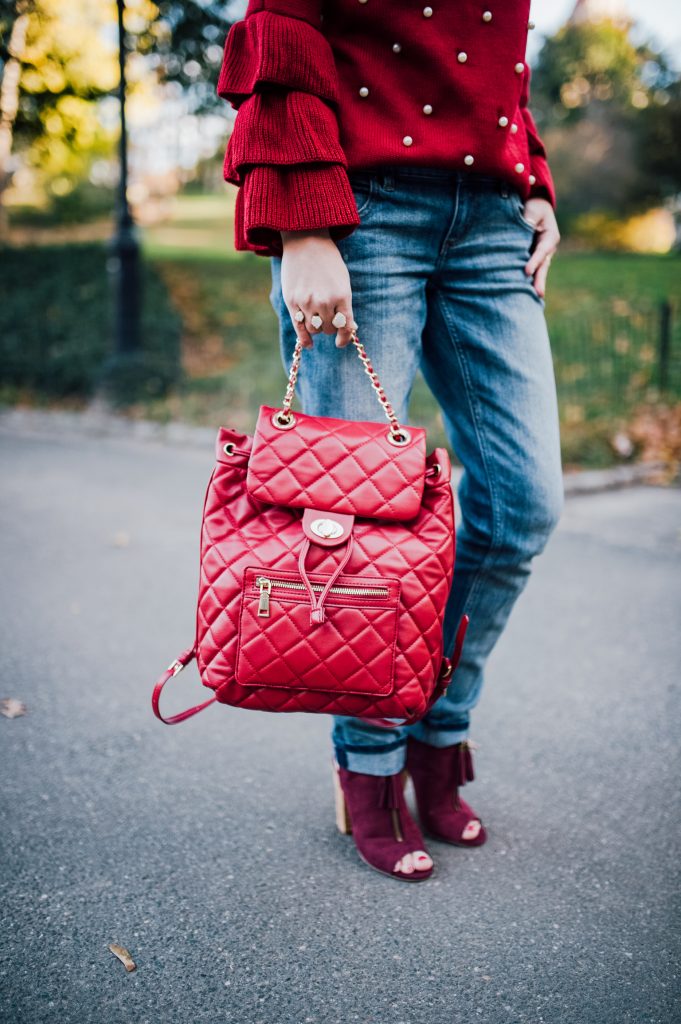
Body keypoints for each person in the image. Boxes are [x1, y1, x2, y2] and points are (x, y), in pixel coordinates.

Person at [217, 0, 563, 882]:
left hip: (491, 216)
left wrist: (532, 177)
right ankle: (370, 763)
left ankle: (435, 728)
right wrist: (301, 221)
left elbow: (493, 62)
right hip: (363, 208)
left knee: (523, 504)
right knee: (361, 528)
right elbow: (282, 29)